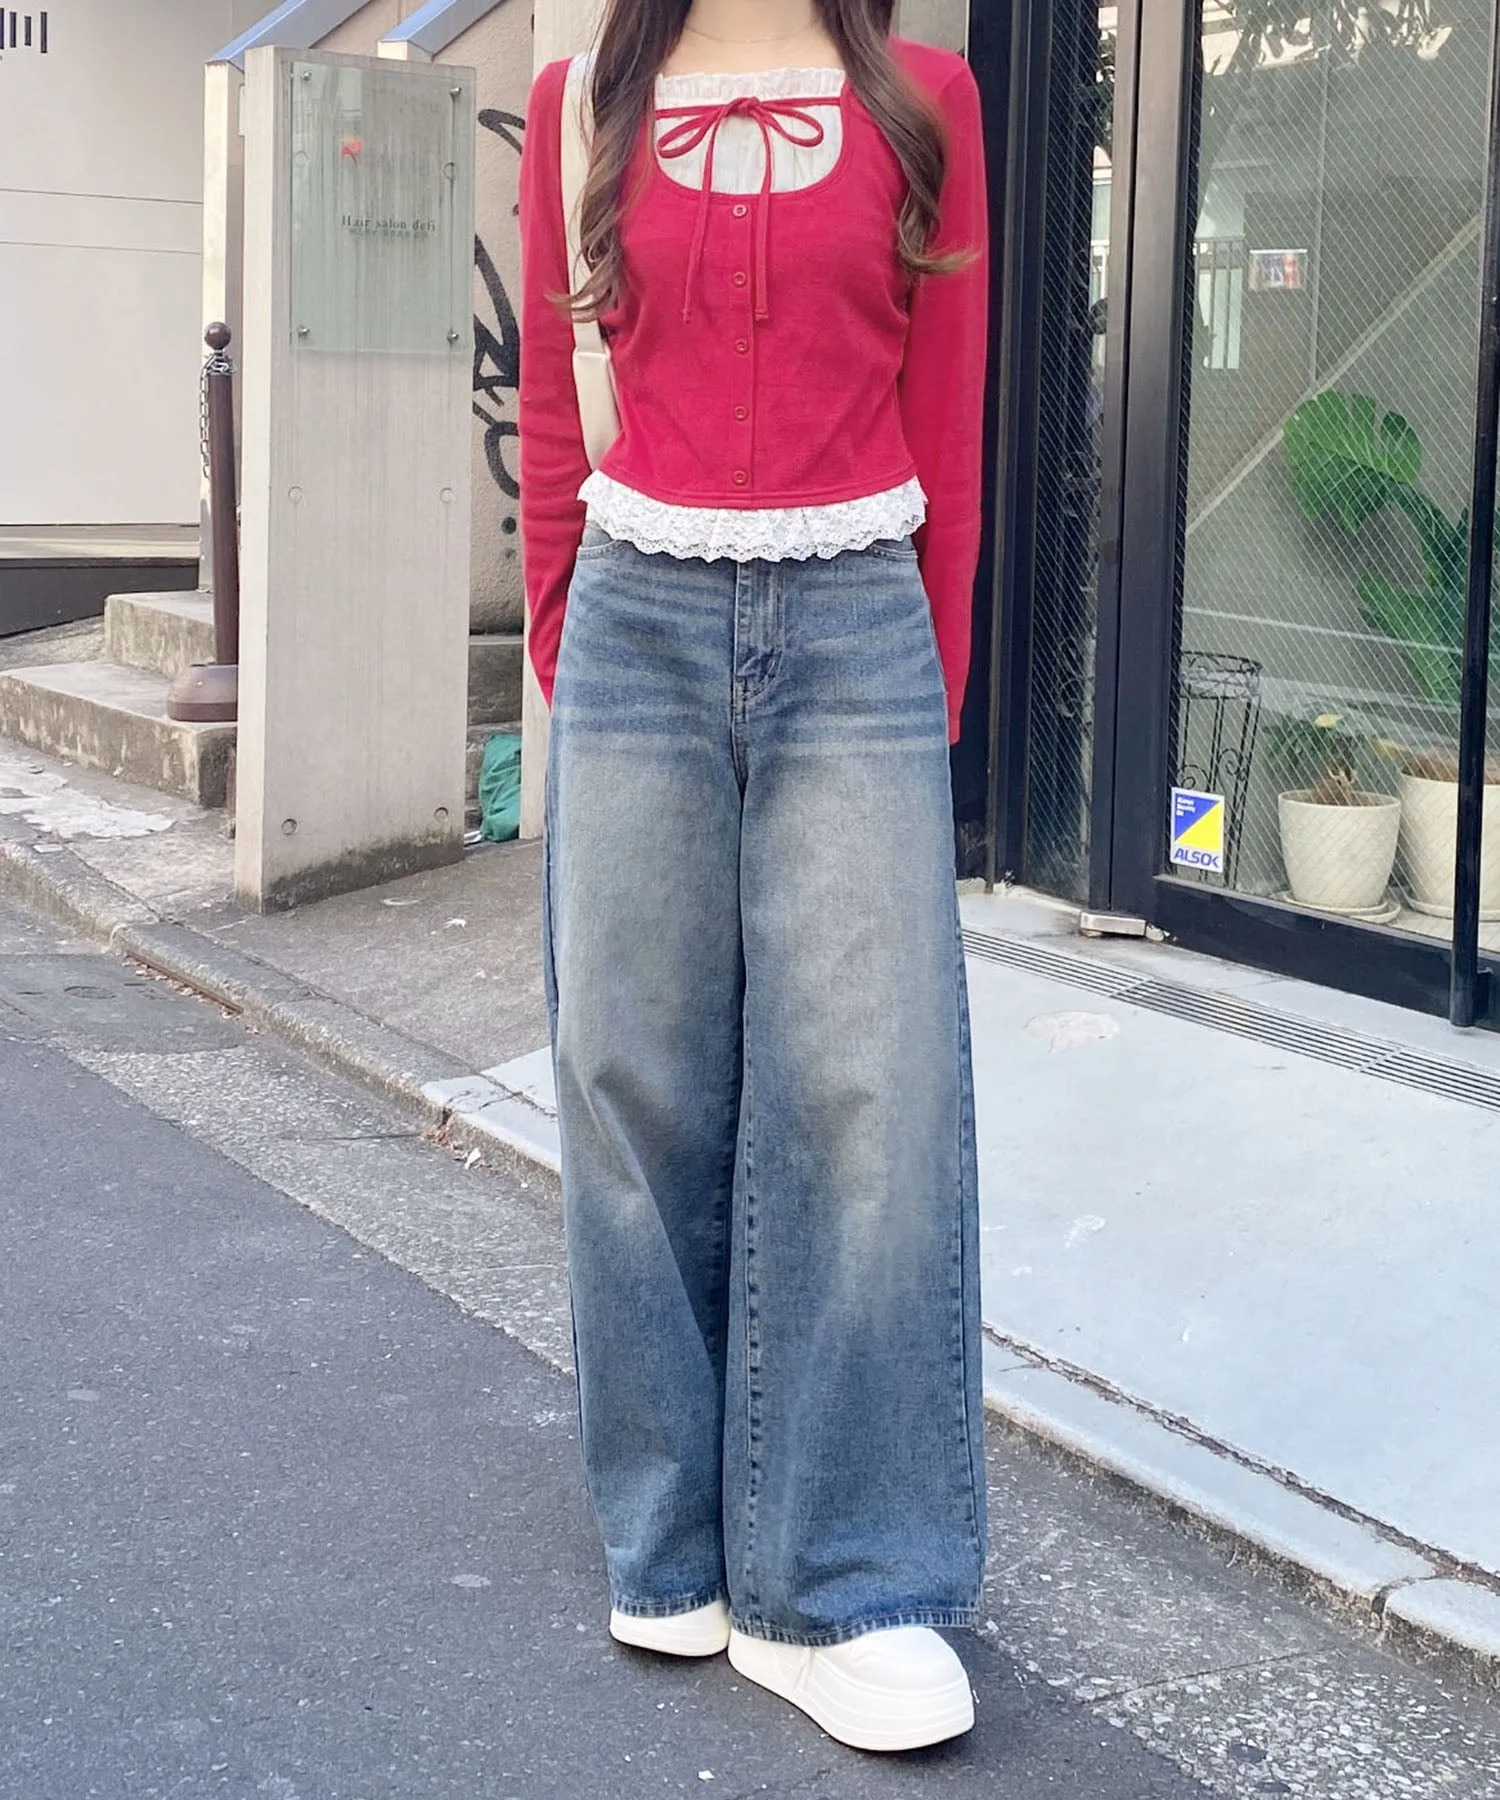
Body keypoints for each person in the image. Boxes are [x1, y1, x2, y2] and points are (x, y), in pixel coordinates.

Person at [518, 0, 990, 1753]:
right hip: (636, 614)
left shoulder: (927, 99)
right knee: (629, 1078)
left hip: (859, 614)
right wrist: (566, 638)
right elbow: (558, 414)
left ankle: (843, 1580)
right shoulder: (580, 104)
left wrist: (930, 692)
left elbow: (950, 419)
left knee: (870, 1091)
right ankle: (669, 1541)